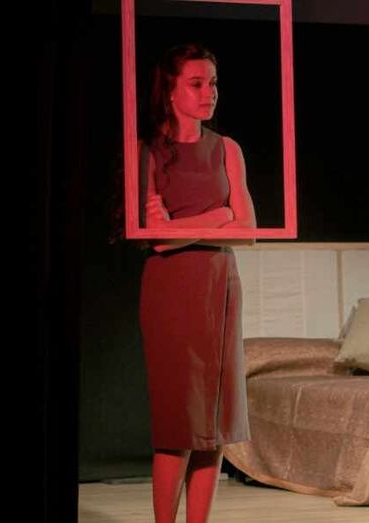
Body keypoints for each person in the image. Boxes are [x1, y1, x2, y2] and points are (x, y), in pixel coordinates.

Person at [138, 43, 255, 522]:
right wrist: (220, 215)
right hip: (171, 291)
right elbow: (158, 241)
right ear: (170, 90)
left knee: (213, 425)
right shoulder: (148, 151)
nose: (209, 93)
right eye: (196, 83)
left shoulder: (227, 149)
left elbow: (248, 229)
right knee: (178, 424)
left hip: (220, 288)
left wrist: (185, 226)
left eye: (213, 83)